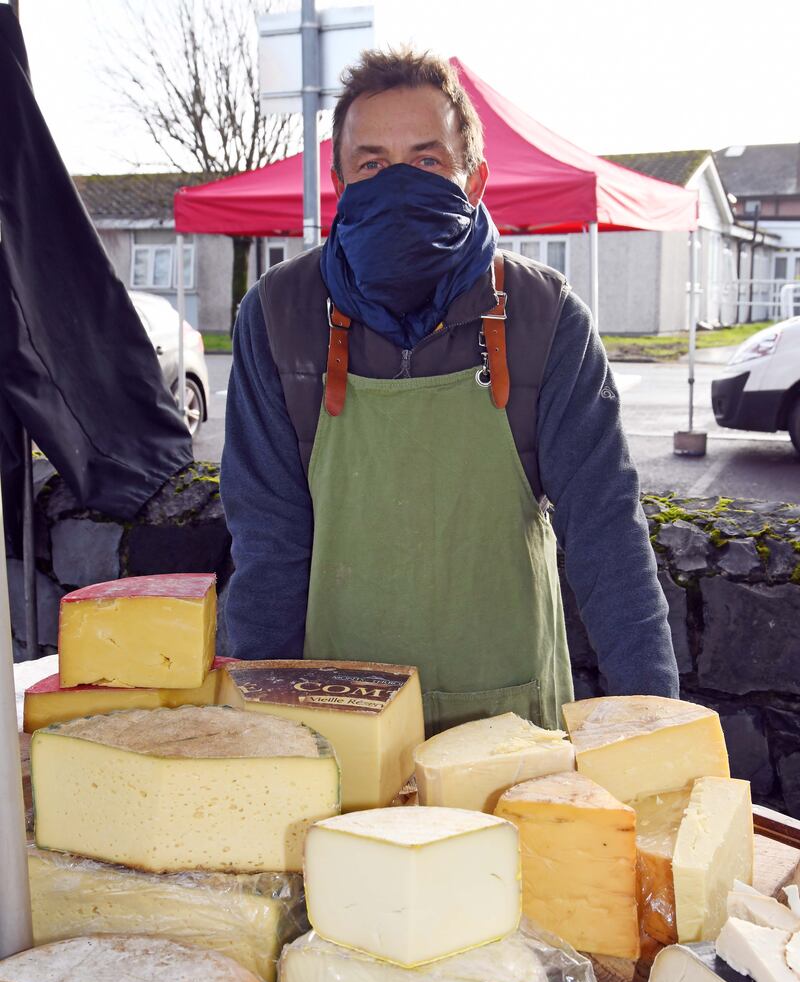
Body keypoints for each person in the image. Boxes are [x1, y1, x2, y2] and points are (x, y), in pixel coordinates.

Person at [221, 48, 678, 735]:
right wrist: (251, 734)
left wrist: (661, 728)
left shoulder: (544, 317)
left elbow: (607, 536)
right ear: (339, 182)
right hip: (340, 725)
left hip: (507, 737)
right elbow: (268, 547)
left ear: (475, 181)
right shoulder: (278, 317)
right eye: (372, 164)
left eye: (428, 161)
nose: (398, 182)